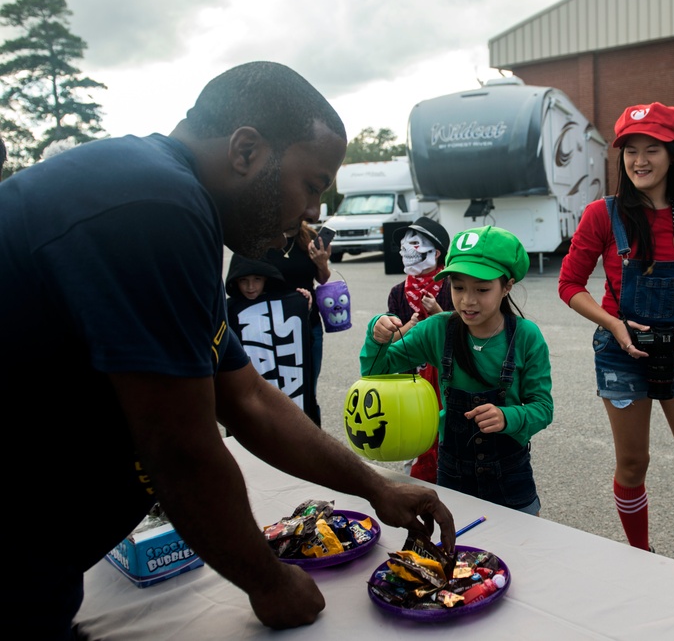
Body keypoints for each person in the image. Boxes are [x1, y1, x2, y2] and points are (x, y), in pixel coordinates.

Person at [0, 61, 455, 639]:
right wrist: (268, 581)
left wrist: (376, 488)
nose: (314, 212)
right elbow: (181, 450)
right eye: (312, 185)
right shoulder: (156, 206)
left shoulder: (166, 197)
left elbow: (247, 398)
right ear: (246, 151)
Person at [558, 102, 674, 580]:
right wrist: (614, 324)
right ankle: (639, 558)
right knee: (633, 464)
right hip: (622, 354)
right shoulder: (604, 214)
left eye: (651, 149)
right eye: (630, 151)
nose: (639, 160)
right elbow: (570, 285)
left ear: (672, 153)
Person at [362, 226, 553, 514]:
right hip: (452, 472)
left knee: (521, 552)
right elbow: (376, 373)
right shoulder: (437, 330)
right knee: (455, 550)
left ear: (508, 286)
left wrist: (508, 416)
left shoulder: (526, 336)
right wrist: (376, 337)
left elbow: (543, 407)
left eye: (482, 289)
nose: (467, 300)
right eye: (458, 286)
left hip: (511, 477)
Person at [385, 216, 454, 482]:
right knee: (415, 439)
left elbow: (464, 331)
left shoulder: (451, 286)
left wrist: (438, 313)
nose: (406, 251)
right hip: (410, 382)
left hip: (446, 378)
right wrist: (411, 325)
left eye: (414, 244)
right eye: (404, 245)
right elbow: (391, 341)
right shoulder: (398, 292)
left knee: (447, 435)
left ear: (436, 253)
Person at [225, 254, 318, 423]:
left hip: (287, 388)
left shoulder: (289, 304)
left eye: (257, 279)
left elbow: (305, 342)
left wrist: (303, 307)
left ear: (266, 279)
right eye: (243, 280)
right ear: (235, 281)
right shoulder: (228, 310)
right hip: (248, 389)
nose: (250, 286)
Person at [265, 220, 331, 419]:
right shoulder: (267, 237)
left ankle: (312, 440)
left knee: (307, 389)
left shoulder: (309, 238)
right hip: (273, 326)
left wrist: (322, 262)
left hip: (308, 325)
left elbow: (323, 279)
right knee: (276, 389)